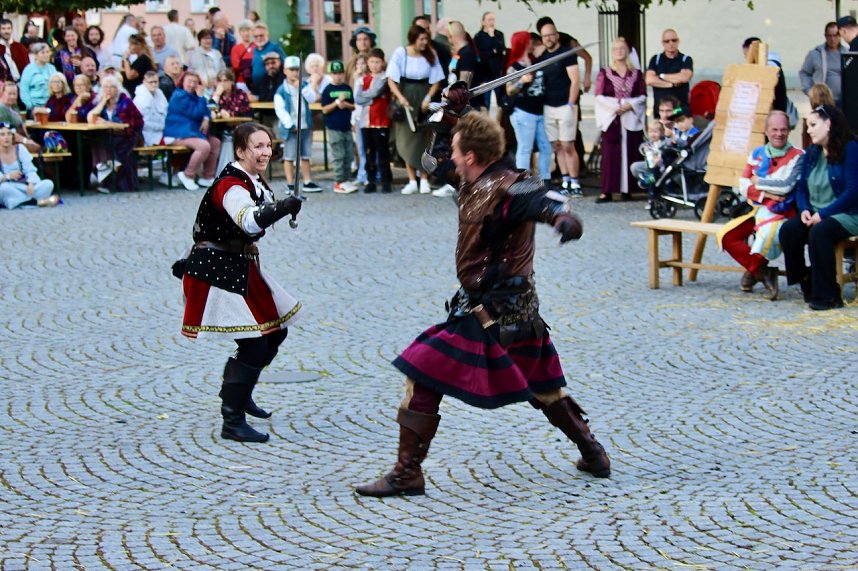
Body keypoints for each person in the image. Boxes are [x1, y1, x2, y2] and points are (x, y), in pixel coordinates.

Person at [354, 109, 610, 498]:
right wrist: (448, 117)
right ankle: (593, 453)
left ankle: (407, 473)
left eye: (458, 150)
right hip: (508, 309)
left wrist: (563, 220)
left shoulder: (511, 188)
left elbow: (547, 202)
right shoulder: (471, 178)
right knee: (544, 388)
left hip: (495, 310)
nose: (452, 157)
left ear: (471, 156)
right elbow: (430, 160)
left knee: (421, 374)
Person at [179, 121, 303, 443]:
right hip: (216, 268)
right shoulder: (231, 185)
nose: (265, 152)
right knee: (254, 342)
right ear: (240, 151)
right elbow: (248, 222)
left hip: (239, 264)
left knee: (275, 331)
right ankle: (231, 420)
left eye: (267, 145)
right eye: (258, 146)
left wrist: (280, 206)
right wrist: (280, 209)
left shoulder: (252, 180)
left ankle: (241, 391)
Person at [717, 111, 805, 300]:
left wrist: (757, 182)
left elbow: (787, 186)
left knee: (766, 237)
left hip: (782, 214)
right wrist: (768, 193)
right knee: (727, 236)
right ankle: (763, 273)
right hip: (758, 210)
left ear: (788, 131)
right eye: (774, 129)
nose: (779, 134)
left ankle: (754, 272)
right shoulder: (757, 153)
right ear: (766, 131)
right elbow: (742, 184)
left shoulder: (798, 156)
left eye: (783, 130)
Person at [780, 104, 858, 311]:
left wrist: (822, 214)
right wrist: (804, 208)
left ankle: (829, 295)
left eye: (813, 125)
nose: (808, 130)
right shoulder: (812, 152)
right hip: (815, 212)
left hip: (847, 213)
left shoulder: (850, 149)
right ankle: (806, 279)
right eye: (808, 125)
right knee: (788, 231)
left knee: (819, 232)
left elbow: (852, 192)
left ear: (829, 124)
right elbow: (801, 188)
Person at [387, 24, 444, 194]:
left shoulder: (430, 54)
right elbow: (391, 79)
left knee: (424, 139)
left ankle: (424, 178)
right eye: (421, 39)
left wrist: (428, 97)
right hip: (406, 96)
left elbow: (436, 80)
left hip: (423, 97)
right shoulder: (401, 53)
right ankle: (412, 179)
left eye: (426, 39)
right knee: (407, 138)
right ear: (413, 38)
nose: (424, 42)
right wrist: (400, 97)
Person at [593, 37, 646, 203]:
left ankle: (628, 189)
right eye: (616, 48)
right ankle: (607, 190)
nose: (619, 51)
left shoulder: (636, 74)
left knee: (631, 151)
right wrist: (615, 106)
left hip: (630, 116)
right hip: (613, 118)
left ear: (627, 51)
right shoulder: (605, 73)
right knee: (610, 153)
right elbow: (599, 95)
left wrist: (630, 105)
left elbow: (642, 95)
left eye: (622, 48)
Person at [536, 21, 582, 196]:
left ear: (556, 35)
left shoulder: (566, 54)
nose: (548, 38)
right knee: (556, 146)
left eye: (550, 34)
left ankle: (575, 183)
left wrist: (571, 103)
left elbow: (575, 80)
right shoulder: (542, 57)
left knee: (568, 144)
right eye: (544, 36)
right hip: (549, 106)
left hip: (565, 105)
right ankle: (566, 181)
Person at [505, 31, 551, 186]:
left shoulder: (533, 62)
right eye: (529, 41)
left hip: (540, 110)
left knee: (546, 146)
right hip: (523, 112)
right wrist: (521, 82)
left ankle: (545, 180)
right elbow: (509, 90)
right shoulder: (514, 67)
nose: (532, 43)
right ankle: (521, 182)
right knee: (525, 148)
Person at [163, 70, 222, 191]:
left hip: (192, 132)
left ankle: (207, 176)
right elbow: (196, 113)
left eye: (195, 82)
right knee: (204, 146)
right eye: (189, 81)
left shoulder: (194, 96)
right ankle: (188, 174)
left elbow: (206, 112)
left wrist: (206, 118)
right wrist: (201, 99)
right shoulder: (179, 96)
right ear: (182, 81)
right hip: (177, 133)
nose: (192, 85)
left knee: (215, 143)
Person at [86, 74, 144, 192]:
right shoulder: (101, 102)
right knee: (95, 144)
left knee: (114, 145)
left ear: (118, 88)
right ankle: (106, 178)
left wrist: (106, 122)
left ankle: (110, 182)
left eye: (112, 87)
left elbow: (127, 126)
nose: (108, 90)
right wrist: (102, 102)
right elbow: (90, 118)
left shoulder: (125, 102)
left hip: (128, 135)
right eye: (105, 87)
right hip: (109, 134)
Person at [275, 55, 321, 193]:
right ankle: (290, 183)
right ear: (285, 71)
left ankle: (307, 181)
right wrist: (289, 124)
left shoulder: (304, 85)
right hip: (291, 128)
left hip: (305, 125)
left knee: (306, 155)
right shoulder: (282, 90)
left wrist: (302, 88)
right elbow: (280, 109)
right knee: (289, 156)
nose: (294, 73)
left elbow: (311, 99)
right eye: (291, 69)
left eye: (297, 70)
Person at [355, 48, 392, 194]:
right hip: (366, 121)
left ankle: (386, 180)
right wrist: (370, 99)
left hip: (381, 120)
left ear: (382, 63)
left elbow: (377, 91)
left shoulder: (384, 79)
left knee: (383, 153)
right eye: (371, 62)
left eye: (377, 62)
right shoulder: (362, 79)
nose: (374, 65)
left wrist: (366, 97)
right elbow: (357, 98)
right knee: (369, 152)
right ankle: (370, 180)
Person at [0, 122, 57, 209]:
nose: (6, 137)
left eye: (9, 134)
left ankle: (21, 202)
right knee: (4, 189)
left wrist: (31, 183)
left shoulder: (20, 148)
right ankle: (37, 202)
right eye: (2, 135)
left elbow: (30, 169)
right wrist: (8, 176)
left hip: (24, 186)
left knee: (48, 184)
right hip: (9, 186)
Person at [321, 60, 357, 194]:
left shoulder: (347, 88)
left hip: (346, 126)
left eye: (340, 73)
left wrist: (345, 105)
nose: (338, 76)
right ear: (331, 74)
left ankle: (346, 179)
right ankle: (339, 181)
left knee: (348, 154)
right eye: (335, 73)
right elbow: (324, 109)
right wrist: (337, 102)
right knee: (339, 155)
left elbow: (353, 106)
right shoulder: (328, 90)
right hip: (334, 127)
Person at [645, 29, 693, 118]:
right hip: (660, 112)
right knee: (660, 131)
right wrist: (672, 84)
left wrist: (661, 76)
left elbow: (684, 77)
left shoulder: (685, 59)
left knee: (680, 131)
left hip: (680, 111)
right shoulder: (656, 59)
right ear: (663, 43)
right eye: (667, 41)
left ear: (678, 41)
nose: (670, 43)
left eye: (673, 40)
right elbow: (649, 80)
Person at [799, 22, 846, 107]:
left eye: (835, 35)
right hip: (822, 100)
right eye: (829, 36)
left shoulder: (847, 53)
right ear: (825, 36)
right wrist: (809, 91)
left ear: (840, 35)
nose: (832, 39)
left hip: (844, 100)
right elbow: (805, 73)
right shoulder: (815, 54)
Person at [474, 11, 505, 111]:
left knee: (500, 102)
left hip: (498, 73)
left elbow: (501, 49)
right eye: (489, 20)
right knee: (485, 103)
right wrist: (493, 51)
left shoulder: (499, 34)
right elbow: (481, 54)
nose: (492, 22)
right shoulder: (478, 36)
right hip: (485, 74)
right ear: (483, 22)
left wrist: (492, 36)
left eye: (493, 20)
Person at [0, 82, 40, 154]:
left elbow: (22, 121)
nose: (12, 97)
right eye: (9, 94)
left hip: (22, 138)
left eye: (14, 94)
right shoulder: (1, 109)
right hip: (11, 144)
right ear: (2, 93)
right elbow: (6, 131)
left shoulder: (13, 106)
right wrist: (25, 141)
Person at [186, 29, 225, 98]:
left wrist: (219, 81)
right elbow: (193, 71)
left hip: (217, 88)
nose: (208, 41)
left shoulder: (217, 53)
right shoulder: (194, 54)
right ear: (200, 40)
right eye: (205, 38)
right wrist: (204, 82)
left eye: (209, 38)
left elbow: (223, 69)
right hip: (202, 89)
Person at [133, 71, 168, 146]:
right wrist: (162, 127)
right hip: (147, 135)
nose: (154, 84)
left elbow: (167, 112)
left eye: (156, 82)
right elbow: (142, 123)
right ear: (144, 82)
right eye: (151, 82)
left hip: (163, 132)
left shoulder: (160, 94)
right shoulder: (140, 99)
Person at [20, 43, 55, 113]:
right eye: (43, 53)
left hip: (51, 105)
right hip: (34, 106)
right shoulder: (29, 69)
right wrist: (30, 106)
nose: (46, 55)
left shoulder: (52, 68)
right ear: (36, 55)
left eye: (48, 52)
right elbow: (24, 90)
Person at [250, 24, 285, 90]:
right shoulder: (254, 50)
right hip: (257, 87)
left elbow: (285, 63)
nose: (259, 38)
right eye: (256, 36)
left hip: (271, 86)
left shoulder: (274, 47)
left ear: (267, 35)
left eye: (261, 35)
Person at [230, 20, 256, 92]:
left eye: (248, 30)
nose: (246, 33)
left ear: (252, 32)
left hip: (255, 81)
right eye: (243, 31)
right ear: (240, 33)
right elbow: (235, 65)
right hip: (241, 82)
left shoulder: (257, 47)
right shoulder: (236, 48)